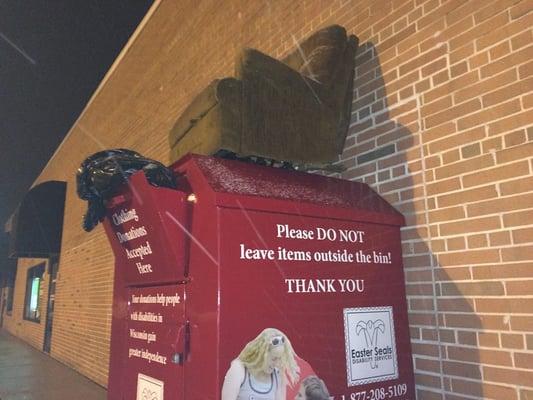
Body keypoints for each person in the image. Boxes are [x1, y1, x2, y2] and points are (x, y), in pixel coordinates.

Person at [221, 328, 300, 400]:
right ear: (262, 354)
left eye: (279, 359)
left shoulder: (278, 375)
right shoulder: (239, 370)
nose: (276, 363)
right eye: (273, 359)